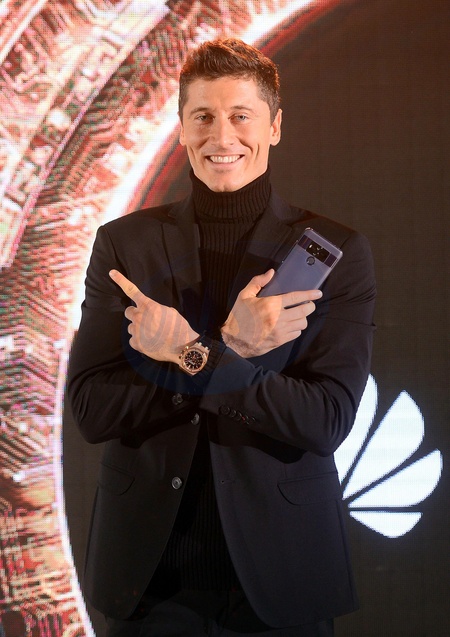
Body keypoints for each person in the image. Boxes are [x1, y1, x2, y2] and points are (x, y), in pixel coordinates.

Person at [67, 38, 376, 637]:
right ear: (182, 128)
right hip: (148, 579)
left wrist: (191, 354)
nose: (222, 135)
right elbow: (91, 409)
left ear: (274, 127)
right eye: (203, 116)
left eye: (241, 115)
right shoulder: (124, 245)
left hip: (282, 574)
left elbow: (325, 420)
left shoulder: (334, 251)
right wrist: (232, 351)